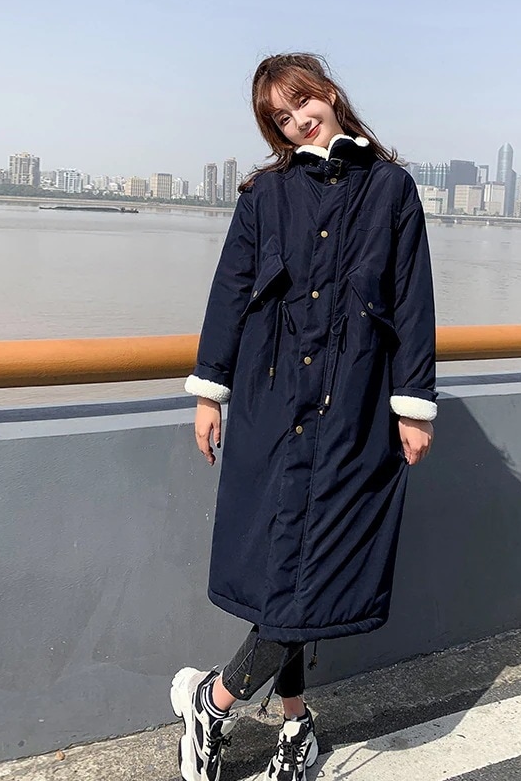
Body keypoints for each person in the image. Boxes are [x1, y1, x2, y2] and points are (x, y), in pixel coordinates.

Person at [170, 52, 437, 781]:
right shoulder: (266, 195)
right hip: (273, 402)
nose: (297, 122)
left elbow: (412, 299)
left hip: (355, 408)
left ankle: (213, 701)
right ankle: (291, 722)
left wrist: (414, 406)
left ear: (329, 93)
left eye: (301, 103)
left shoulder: (392, 189)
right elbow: (231, 291)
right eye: (280, 119)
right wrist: (209, 392)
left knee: (317, 568)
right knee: (288, 567)